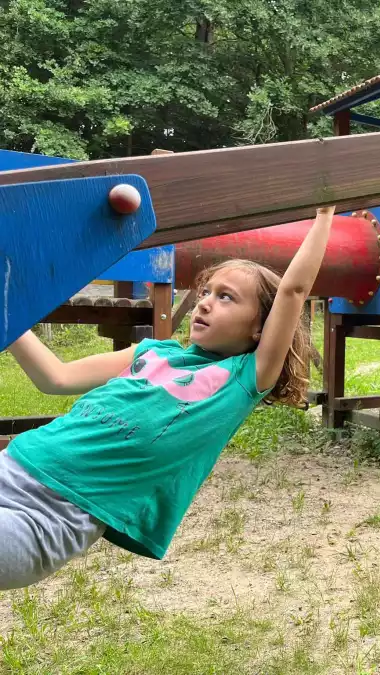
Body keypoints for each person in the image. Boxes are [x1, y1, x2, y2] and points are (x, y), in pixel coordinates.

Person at [0, 206, 335, 590]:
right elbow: (54, 377)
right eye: (205, 292)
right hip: (11, 466)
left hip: (50, 518)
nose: (205, 303)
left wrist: (324, 212)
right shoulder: (152, 353)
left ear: (261, 326)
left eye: (226, 298)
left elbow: (293, 290)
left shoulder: (241, 380)